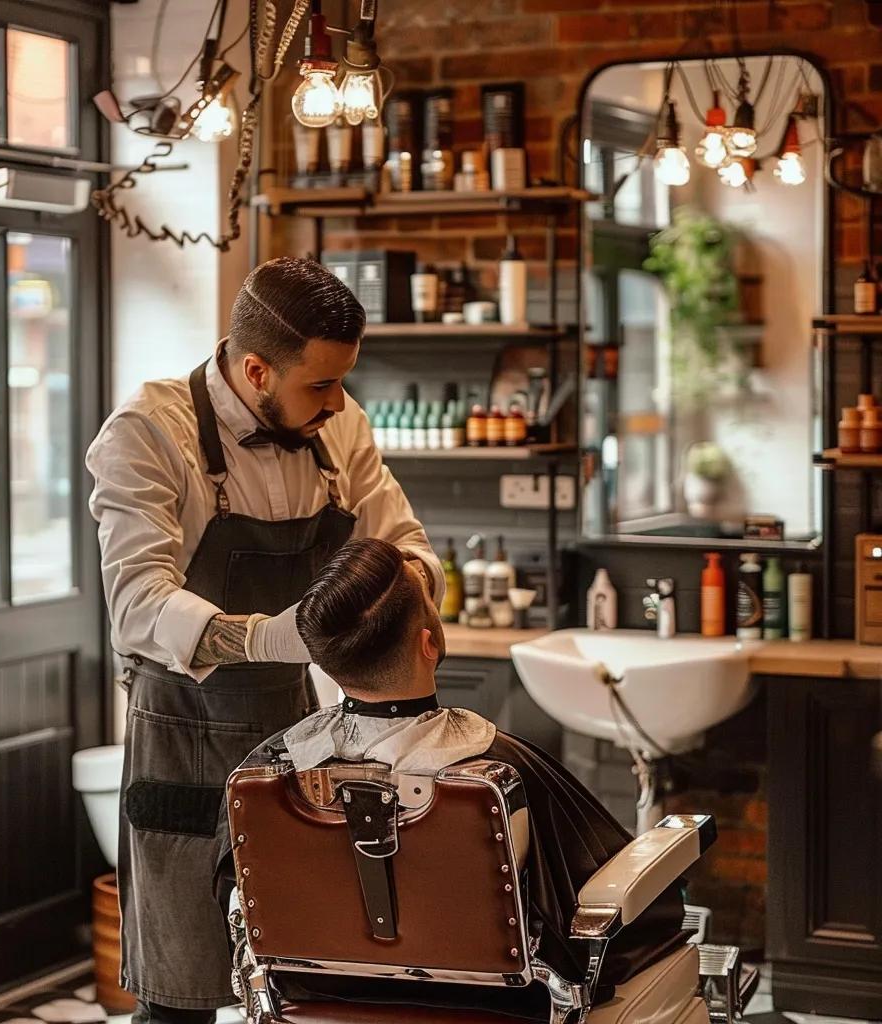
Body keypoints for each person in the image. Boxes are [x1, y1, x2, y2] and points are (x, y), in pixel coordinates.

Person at [85, 258, 443, 1024]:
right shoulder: (149, 432)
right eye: (320, 385)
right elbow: (138, 606)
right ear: (255, 369)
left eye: (343, 382)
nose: (339, 402)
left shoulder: (336, 426)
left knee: (298, 977)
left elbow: (404, 539)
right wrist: (270, 637)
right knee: (178, 995)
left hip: (294, 735)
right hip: (179, 732)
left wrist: (403, 592)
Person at [216, 538, 688, 1018]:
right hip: (495, 1005)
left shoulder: (268, 774)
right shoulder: (495, 769)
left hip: (322, 997)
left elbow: (237, 892)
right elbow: (595, 897)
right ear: (431, 643)